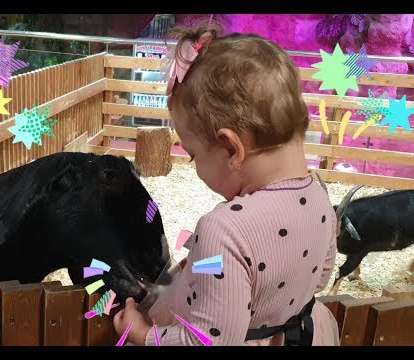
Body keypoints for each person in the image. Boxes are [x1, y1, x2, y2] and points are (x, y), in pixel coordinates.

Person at [113, 21, 340, 346]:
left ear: (231, 149)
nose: (195, 168)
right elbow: (317, 279)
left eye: (193, 155)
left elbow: (209, 342)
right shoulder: (320, 199)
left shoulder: (225, 230)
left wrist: (142, 333)